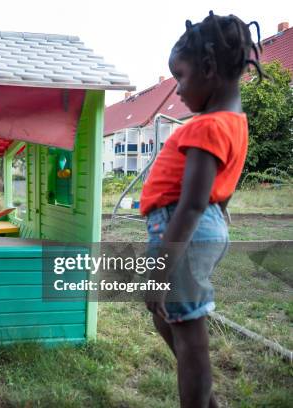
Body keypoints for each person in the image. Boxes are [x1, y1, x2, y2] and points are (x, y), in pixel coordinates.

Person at [140, 12, 264, 408]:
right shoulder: (234, 123)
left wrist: (160, 268)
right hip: (197, 228)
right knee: (169, 318)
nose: (176, 90)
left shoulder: (206, 127)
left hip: (182, 228)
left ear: (208, 69)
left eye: (181, 77)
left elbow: (193, 203)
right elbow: (219, 190)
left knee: (191, 339)